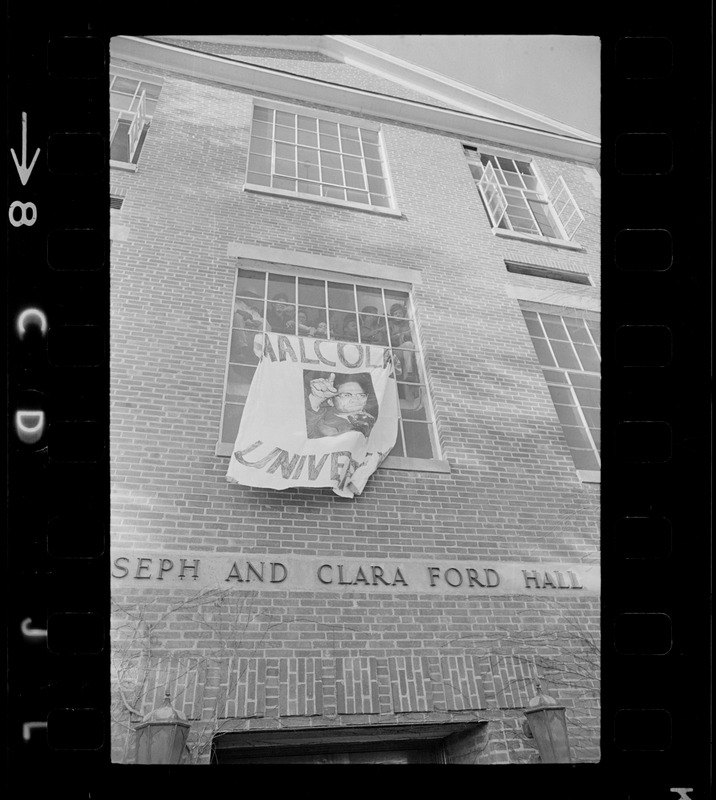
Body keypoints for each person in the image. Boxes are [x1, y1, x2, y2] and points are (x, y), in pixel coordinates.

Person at [305, 373, 376, 438]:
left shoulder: (371, 417)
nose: (355, 400)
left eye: (361, 395)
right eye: (346, 395)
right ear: (330, 401)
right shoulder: (321, 422)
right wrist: (315, 400)